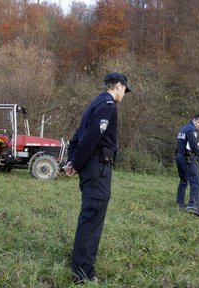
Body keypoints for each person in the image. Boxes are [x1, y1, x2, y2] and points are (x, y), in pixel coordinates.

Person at [64, 72, 131, 282]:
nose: (124, 94)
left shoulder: (95, 104)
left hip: (91, 166)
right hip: (98, 168)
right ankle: (83, 273)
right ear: (118, 86)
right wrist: (75, 163)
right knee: (92, 217)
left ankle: (79, 262)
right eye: (124, 90)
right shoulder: (107, 105)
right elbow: (91, 137)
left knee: (89, 215)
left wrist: (73, 160)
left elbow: (78, 135)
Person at [175, 114, 199, 217]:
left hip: (179, 156)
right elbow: (193, 147)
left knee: (183, 180)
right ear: (194, 120)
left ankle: (180, 204)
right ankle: (192, 207)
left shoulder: (184, 128)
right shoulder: (192, 130)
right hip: (186, 157)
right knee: (196, 182)